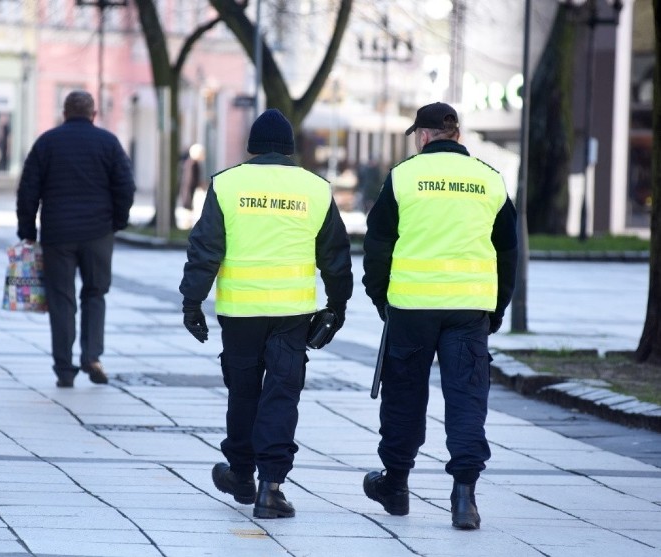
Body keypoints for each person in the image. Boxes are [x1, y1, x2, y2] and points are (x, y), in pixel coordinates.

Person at [179, 108, 353, 519]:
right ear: (290, 149)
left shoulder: (227, 184)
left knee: (243, 395)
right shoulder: (315, 188)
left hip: (241, 313)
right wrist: (337, 306)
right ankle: (271, 488)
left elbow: (205, 249)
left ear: (252, 147)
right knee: (281, 395)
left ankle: (241, 474)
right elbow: (335, 256)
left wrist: (192, 302)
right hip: (292, 315)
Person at [361, 102, 518, 530]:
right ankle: (464, 497)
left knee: (404, 398)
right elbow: (508, 250)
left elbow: (377, 246)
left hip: (411, 308)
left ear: (426, 136)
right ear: (457, 136)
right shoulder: (490, 180)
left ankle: (395, 485)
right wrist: (497, 307)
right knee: (467, 398)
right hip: (469, 310)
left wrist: (381, 298)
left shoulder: (404, 177)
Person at [16, 90, 135, 388]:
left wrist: (27, 231)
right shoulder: (108, 143)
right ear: (93, 114)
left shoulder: (47, 142)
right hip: (98, 234)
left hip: (58, 235)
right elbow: (125, 186)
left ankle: (64, 368)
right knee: (95, 294)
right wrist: (117, 221)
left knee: (61, 300)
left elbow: (28, 190)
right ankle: (92, 356)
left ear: (64, 113)